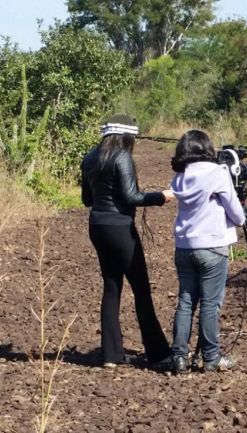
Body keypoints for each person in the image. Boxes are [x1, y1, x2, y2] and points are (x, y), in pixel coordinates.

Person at [81, 114, 174, 369]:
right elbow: (132, 196)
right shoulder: (122, 157)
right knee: (141, 289)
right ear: (126, 136)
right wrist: (161, 196)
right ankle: (158, 353)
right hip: (120, 228)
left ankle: (110, 355)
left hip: (97, 226)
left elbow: (87, 200)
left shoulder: (90, 157)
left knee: (112, 287)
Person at [169, 129, 245, 374]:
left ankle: (179, 356)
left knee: (186, 301)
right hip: (212, 246)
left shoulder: (180, 177)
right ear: (207, 149)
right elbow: (237, 215)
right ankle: (211, 357)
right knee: (210, 304)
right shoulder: (217, 173)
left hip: (184, 246)